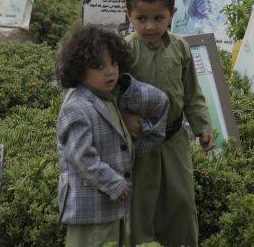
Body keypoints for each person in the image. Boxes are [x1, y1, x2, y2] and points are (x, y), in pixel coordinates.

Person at [123, 0, 214, 247]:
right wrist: (125, 118)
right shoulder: (125, 51)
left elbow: (192, 94)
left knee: (181, 199)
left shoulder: (181, 49)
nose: (150, 26)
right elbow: (113, 94)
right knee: (142, 202)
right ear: (129, 15)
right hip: (140, 141)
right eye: (141, 19)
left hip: (175, 138)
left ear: (172, 13)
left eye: (158, 18)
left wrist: (203, 127)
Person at [56, 26, 169, 247]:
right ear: (79, 70)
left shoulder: (106, 98)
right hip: (90, 211)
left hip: (112, 208)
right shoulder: (76, 107)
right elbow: (83, 159)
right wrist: (115, 185)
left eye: (113, 63)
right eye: (98, 66)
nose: (109, 71)